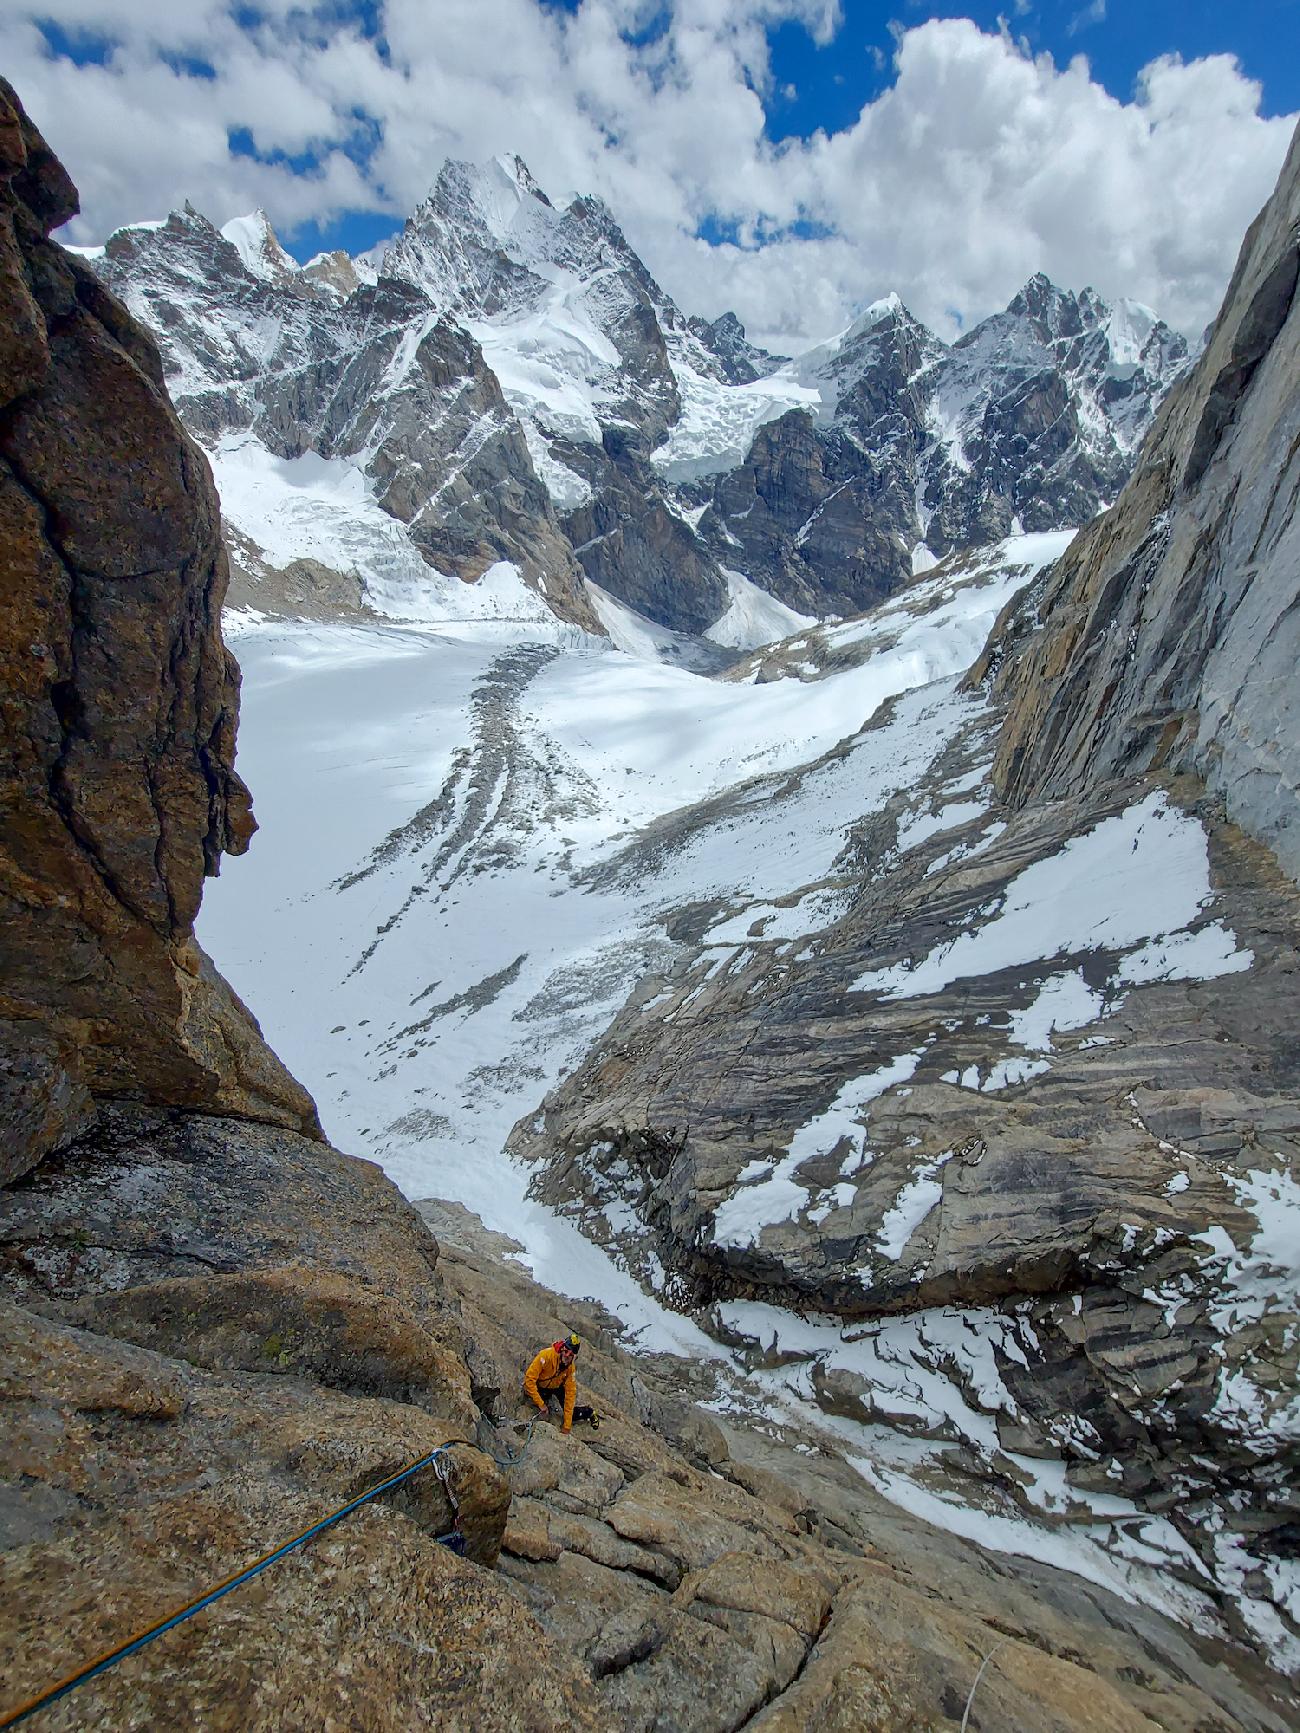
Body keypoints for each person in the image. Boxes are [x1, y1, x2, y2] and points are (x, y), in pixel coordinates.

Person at [523, 1332, 581, 1433]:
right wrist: (541, 1404)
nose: (567, 1355)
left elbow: (570, 1394)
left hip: (555, 1387)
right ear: (562, 1348)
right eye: (566, 1351)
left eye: (571, 1354)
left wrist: (567, 1426)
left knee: (570, 1406)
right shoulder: (546, 1355)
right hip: (540, 1387)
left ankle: (589, 1412)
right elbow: (529, 1380)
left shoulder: (570, 1368)